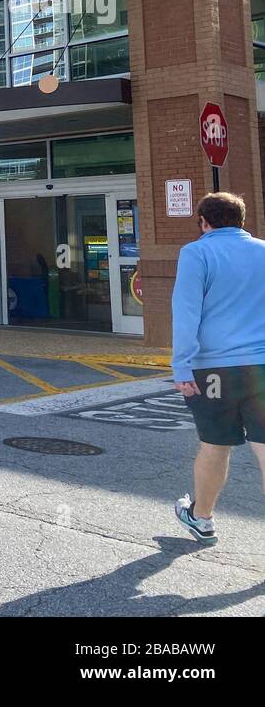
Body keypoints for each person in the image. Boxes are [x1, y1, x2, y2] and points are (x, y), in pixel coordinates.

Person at [171, 191, 265, 544]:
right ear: (241, 220)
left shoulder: (196, 252)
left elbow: (186, 313)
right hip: (262, 364)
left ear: (204, 222)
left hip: (214, 369)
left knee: (215, 444)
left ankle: (202, 517)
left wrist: (181, 367)